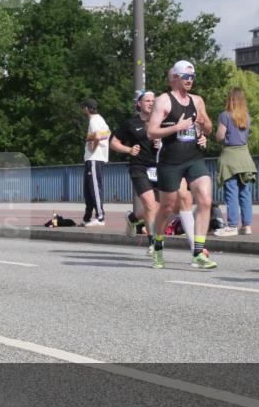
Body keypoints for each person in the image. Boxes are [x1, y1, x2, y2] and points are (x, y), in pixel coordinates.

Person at [147, 60, 218, 270]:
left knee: (205, 199)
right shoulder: (163, 101)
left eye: (193, 77)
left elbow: (209, 127)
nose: (190, 81)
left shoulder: (197, 101)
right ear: (176, 78)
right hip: (170, 161)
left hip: (193, 158)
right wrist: (177, 127)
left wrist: (203, 129)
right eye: (186, 77)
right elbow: (152, 131)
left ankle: (198, 253)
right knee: (167, 206)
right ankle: (158, 246)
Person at [111, 90, 162, 252]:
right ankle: (153, 243)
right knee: (149, 203)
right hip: (138, 167)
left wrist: (162, 144)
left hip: (159, 167)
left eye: (153, 101)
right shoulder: (131, 124)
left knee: (158, 206)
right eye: (147, 100)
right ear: (139, 104)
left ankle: (132, 218)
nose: (151, 103)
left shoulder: (162, 121)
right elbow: (113, 142)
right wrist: (128, 150)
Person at [215, 88, 258, 236]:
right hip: (245, 157)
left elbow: (220, 136)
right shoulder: (246, 116)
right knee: (245, 192)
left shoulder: (225, 115)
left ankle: (232, 225)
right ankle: (247, 226)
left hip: (230, 157)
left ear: (230, 99)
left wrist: (217, 135)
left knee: (231, 192)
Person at [80, 98, 110, 226]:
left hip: (94, 159)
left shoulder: (93, 120)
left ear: (87, 108)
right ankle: (87, 217)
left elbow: (98, 136)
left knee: (94, 188)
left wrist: (94, 147)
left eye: (83, 107)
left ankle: (100, 217)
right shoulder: (100, 119)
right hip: (93, 159)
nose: (82, 110)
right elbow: (108, 133)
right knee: (88, 189)